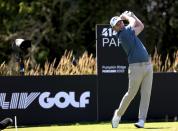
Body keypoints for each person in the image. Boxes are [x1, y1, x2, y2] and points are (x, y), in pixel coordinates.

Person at [110, 11, 153, 128]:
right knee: (131, 94)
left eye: (120, 22)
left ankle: (141, 121)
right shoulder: (123, 35)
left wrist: (133, 15)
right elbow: (134, 23)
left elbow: (141, 26)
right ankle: (118, 114)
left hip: (148, 65)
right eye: (117, 24)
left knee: (146, 94)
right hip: (135, 67)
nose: (120, 24)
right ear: (115, 29)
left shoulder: (129, 32)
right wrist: (127, 16)